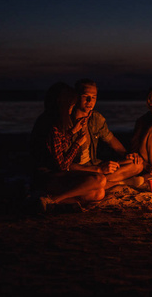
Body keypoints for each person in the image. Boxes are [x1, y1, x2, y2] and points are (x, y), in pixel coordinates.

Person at [30, 82, 108, 210]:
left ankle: (52, 200)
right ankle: (53, 200)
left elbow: (57, 147)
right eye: (71, 106)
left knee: (98, 193)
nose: (72, 109)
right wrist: (77, 143)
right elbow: (62, 166)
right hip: (47, 177)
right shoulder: (52, 127)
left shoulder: (51, 121)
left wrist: (72, 132)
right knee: (99, 180)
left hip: (54, 176)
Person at [69, 79, 144, 187]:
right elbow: (65, 165)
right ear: (76, 97)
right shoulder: (67, 121)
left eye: (94, 97)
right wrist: (98, 169)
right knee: (96, 181)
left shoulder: (96, 118)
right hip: (79, 170)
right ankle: (118, 183)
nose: (90, 101)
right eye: (86, 96)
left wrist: (128, 155)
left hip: (94, 164)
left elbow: (112, 140)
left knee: (137, 165)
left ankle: (103, 183)